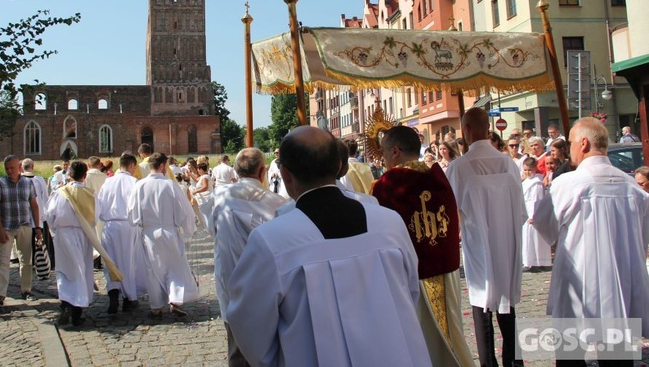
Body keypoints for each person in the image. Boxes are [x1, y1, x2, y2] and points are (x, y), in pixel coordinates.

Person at [226, 126, 432, 366]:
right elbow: (410, 290)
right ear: (337, 167)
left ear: (285, 174)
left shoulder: (271, 241)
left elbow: (249, 325)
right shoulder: (389, 223)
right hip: (396, 354)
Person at [534, 117, 649, 365]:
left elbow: (544, 224)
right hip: (622, 281)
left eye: (572, 143)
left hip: (579, 282)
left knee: (571, 354)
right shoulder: (632, 186)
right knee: (617, 355)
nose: (569, 150)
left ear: (583, 143)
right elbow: (642, 238)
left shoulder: (569, 183)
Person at [372, 126, 475, 367]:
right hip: (446, 273)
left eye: (384, 152)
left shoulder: (386, 186)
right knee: (450, 333)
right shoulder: (437, 177)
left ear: (395, 151)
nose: (383, 159)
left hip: (408, 278)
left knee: (416, 339)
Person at [445, 107, 527, 367]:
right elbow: (521, 208)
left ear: (467, 130)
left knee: (481, 303)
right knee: (507, 303)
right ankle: (513, 360)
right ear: (487, 128)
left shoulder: (459, 167)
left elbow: (451, 208)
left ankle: (488, 362)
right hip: (508, 239)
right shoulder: (507, 163)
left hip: (479, 241)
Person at [208, 148, 288, 366]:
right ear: (263, 171)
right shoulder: (278, 204)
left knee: (236, 342)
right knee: (269, 342)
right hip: (265, 282)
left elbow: (211, 230)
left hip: (230, 276)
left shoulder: (219, 198)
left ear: (236, 171)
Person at [47, 161, 121, 326]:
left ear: (70, 174)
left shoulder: (59, 193)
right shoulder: (90, 194)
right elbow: (95, 219)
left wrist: (56, 231)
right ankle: (77, 311)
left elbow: (50, 215)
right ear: (85, 176)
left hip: (63, 235)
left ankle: (66, 303)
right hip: (83, 234)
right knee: (82, 270)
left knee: (64, 270)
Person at [129, 152, 198, 317]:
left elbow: (132, 212)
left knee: (152, 269)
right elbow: (184, 210)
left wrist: (138, 225)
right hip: (169, 231)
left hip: (149, 232)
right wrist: (188, 228)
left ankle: (156, 306)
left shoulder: (140, 185)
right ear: (162, 166)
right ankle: (175, 300)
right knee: (175, 266)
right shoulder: (170, 185)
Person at [0, 155, 42, 308]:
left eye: (12, 168)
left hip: (25, 225)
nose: (9, 171)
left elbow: (34, 205)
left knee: (26, 260)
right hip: (7, 227)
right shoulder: (0, 183)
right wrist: (0, 229)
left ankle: (26, 290)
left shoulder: (27, 183)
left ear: (19, 167)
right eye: (7, 169)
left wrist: (37, 227)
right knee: (3, 261)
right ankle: (0, 294)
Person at [97, 153, 145, 314]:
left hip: (109, 225)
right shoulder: (134, 182)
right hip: (128, 225)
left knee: (111, 262)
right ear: (131, 165)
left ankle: (113, 292)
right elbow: (138, 205)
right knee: (128, 262)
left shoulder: (108, 182)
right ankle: (129, 297)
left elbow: (100, 205)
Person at [22, 158, 52, 273]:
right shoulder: (39, 180)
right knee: (38, 240)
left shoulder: (19, 180)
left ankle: (27, 261)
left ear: (22, 167)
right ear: (33, 166)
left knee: (27, 241)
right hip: (38, 215)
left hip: (25, 216)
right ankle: (39, 261)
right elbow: (45, 197)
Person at [520, 157, 551, 272]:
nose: (527, 173)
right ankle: (529, 260)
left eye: (530, 170)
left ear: (535, 169)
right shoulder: (525, 182)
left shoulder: (537, 183)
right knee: (527, 236)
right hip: (525, 209)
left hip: (532, 211)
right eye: (525, 170)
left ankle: (535, 261)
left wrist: (533, 215)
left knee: (531, 236)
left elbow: (536, 199)